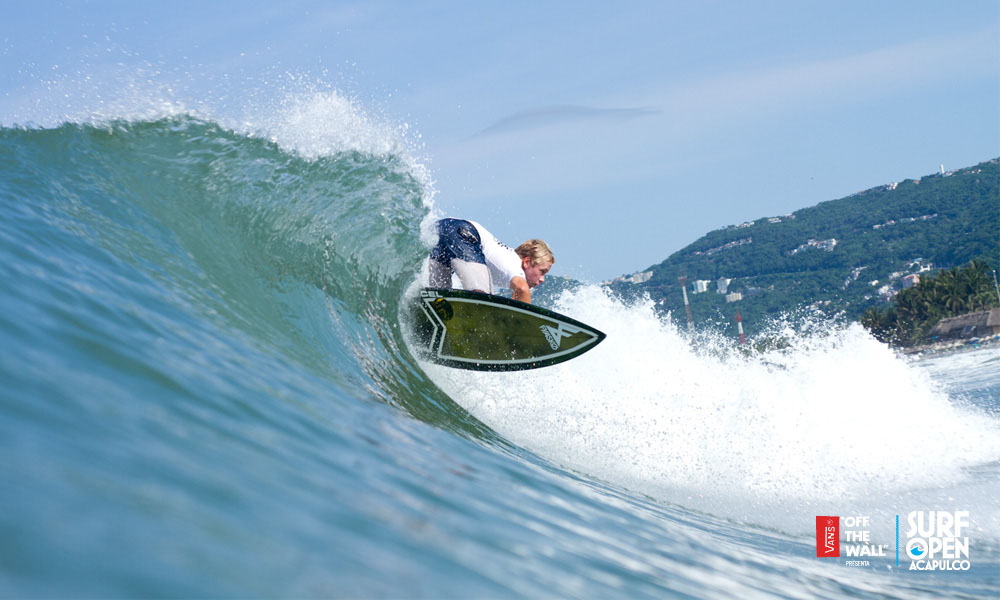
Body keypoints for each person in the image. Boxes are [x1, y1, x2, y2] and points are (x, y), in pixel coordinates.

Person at [428, 218, 553, 304]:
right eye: (542, 271)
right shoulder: (514, 264)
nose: (542, 279)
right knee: (483, 301)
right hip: (462, 234)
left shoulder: (507, 257)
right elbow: (522, 289)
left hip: (441, 228)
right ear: (526, 262)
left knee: (440, 300)